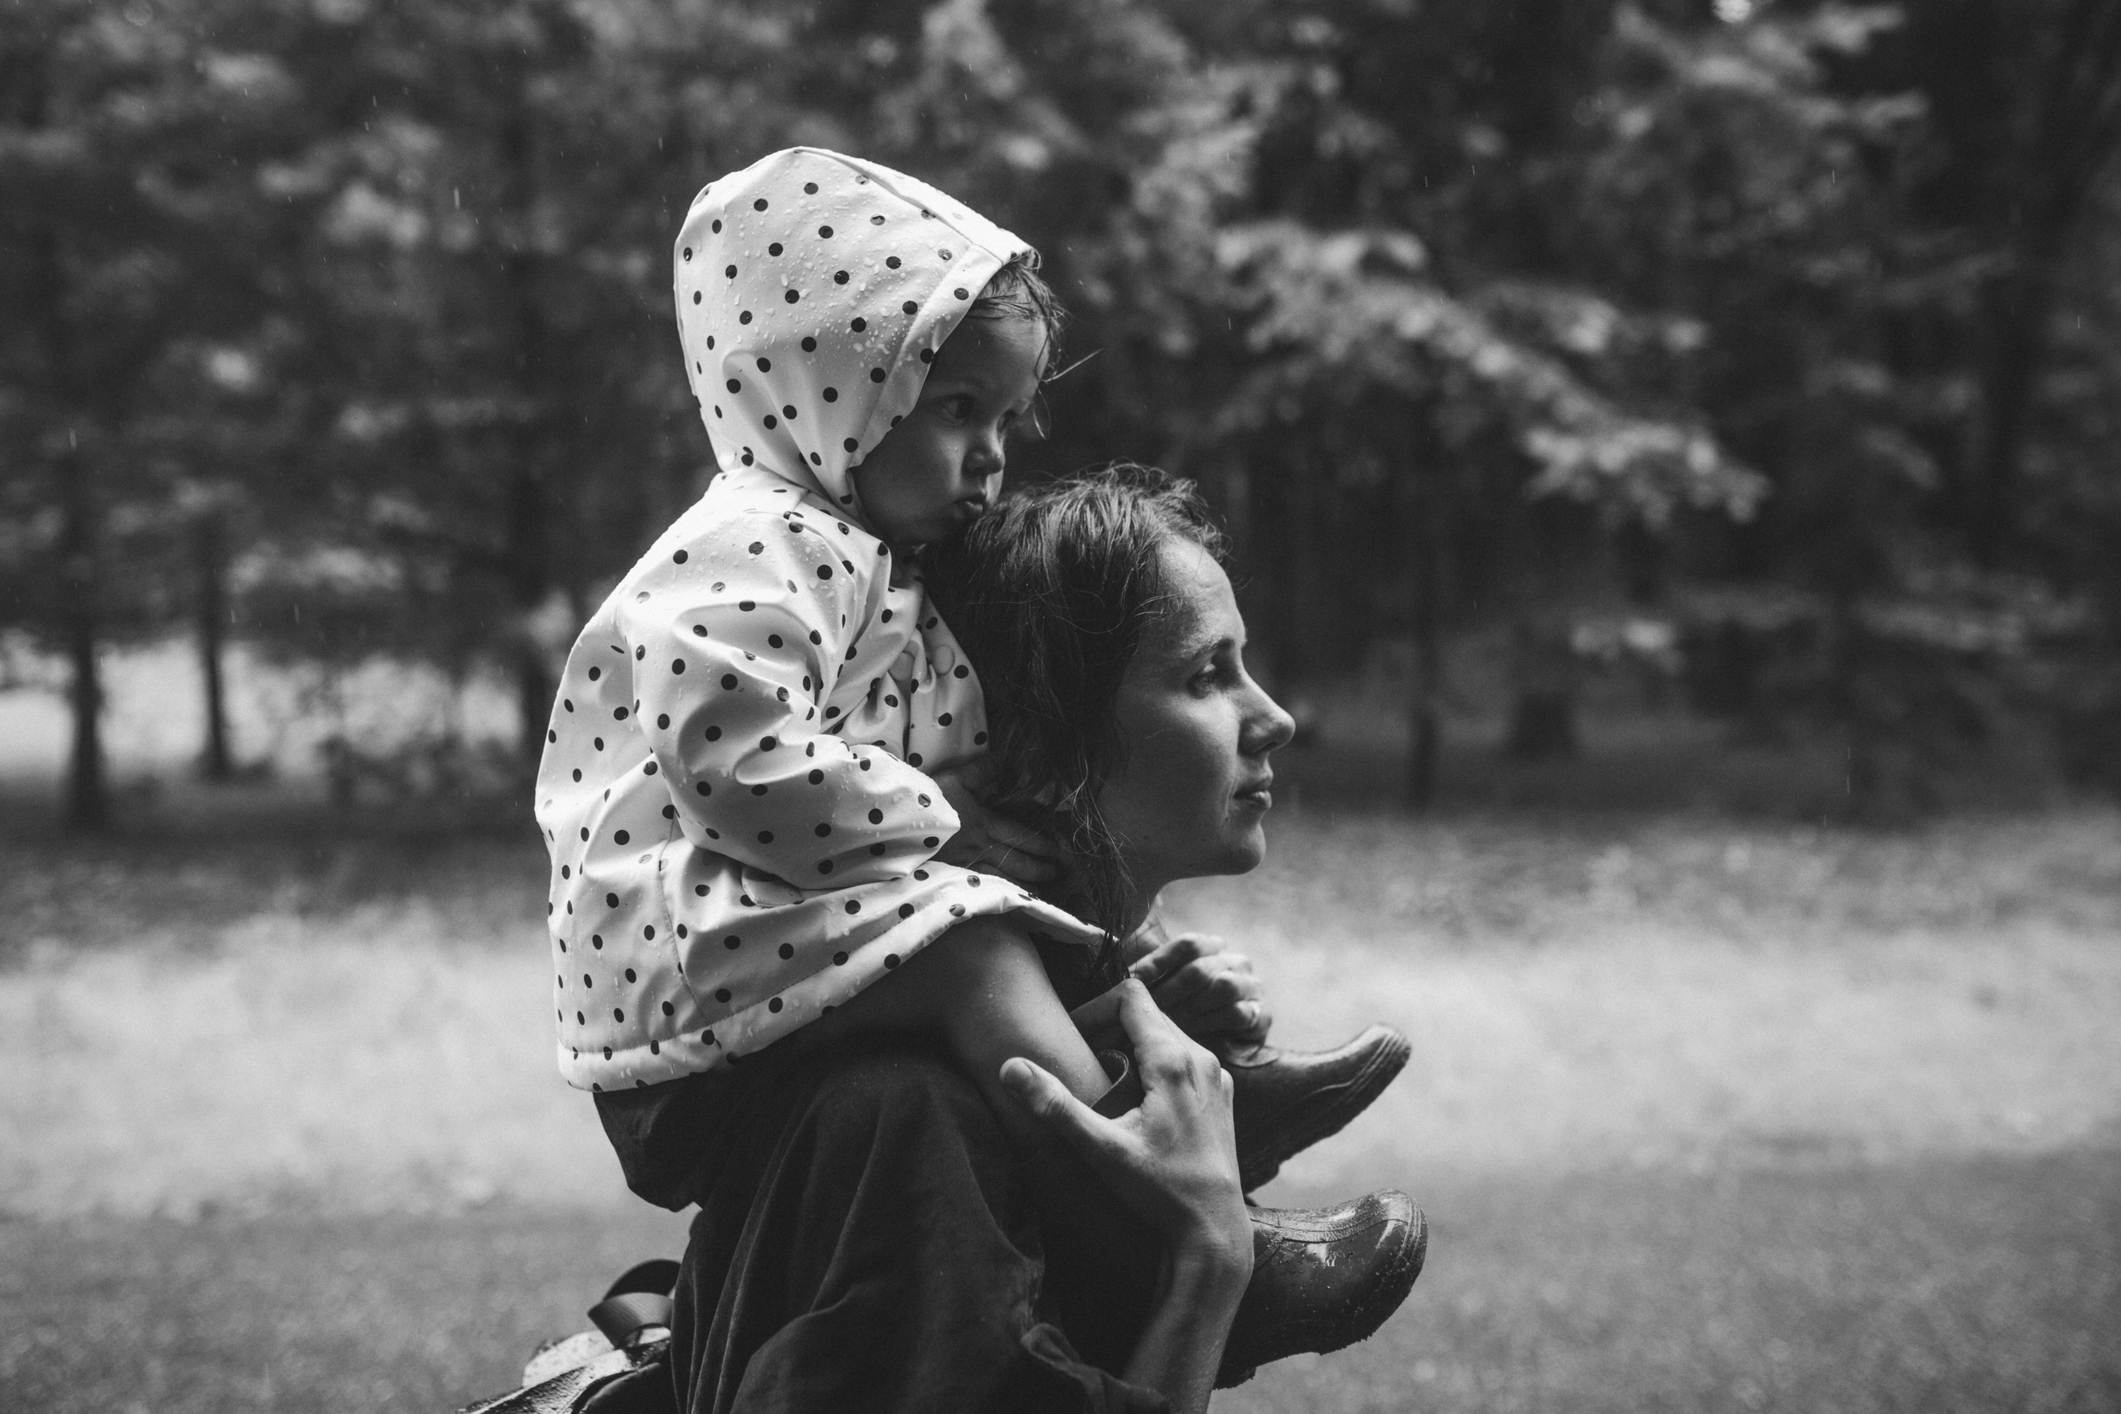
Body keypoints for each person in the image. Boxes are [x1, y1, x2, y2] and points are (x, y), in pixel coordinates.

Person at [535, 146, 1405, 1188]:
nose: (992, 455)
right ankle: (1146, 1174)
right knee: (968, 947)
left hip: (758, 964)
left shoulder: (874, 567)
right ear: (833, 389)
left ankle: (1197, 1097)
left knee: (1014, 922)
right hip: (685, 983)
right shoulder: (759, 545)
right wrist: (940, 819)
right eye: (957, 409)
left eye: (1003, 418)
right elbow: (730, 756)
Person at [609, 466, 1425, 1412]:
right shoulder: (908, 1122)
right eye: (1205, 675)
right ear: (1031, 746)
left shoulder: (976, 1056)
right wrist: (1206, 1265)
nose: (1274, 719)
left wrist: (1110, 1036)